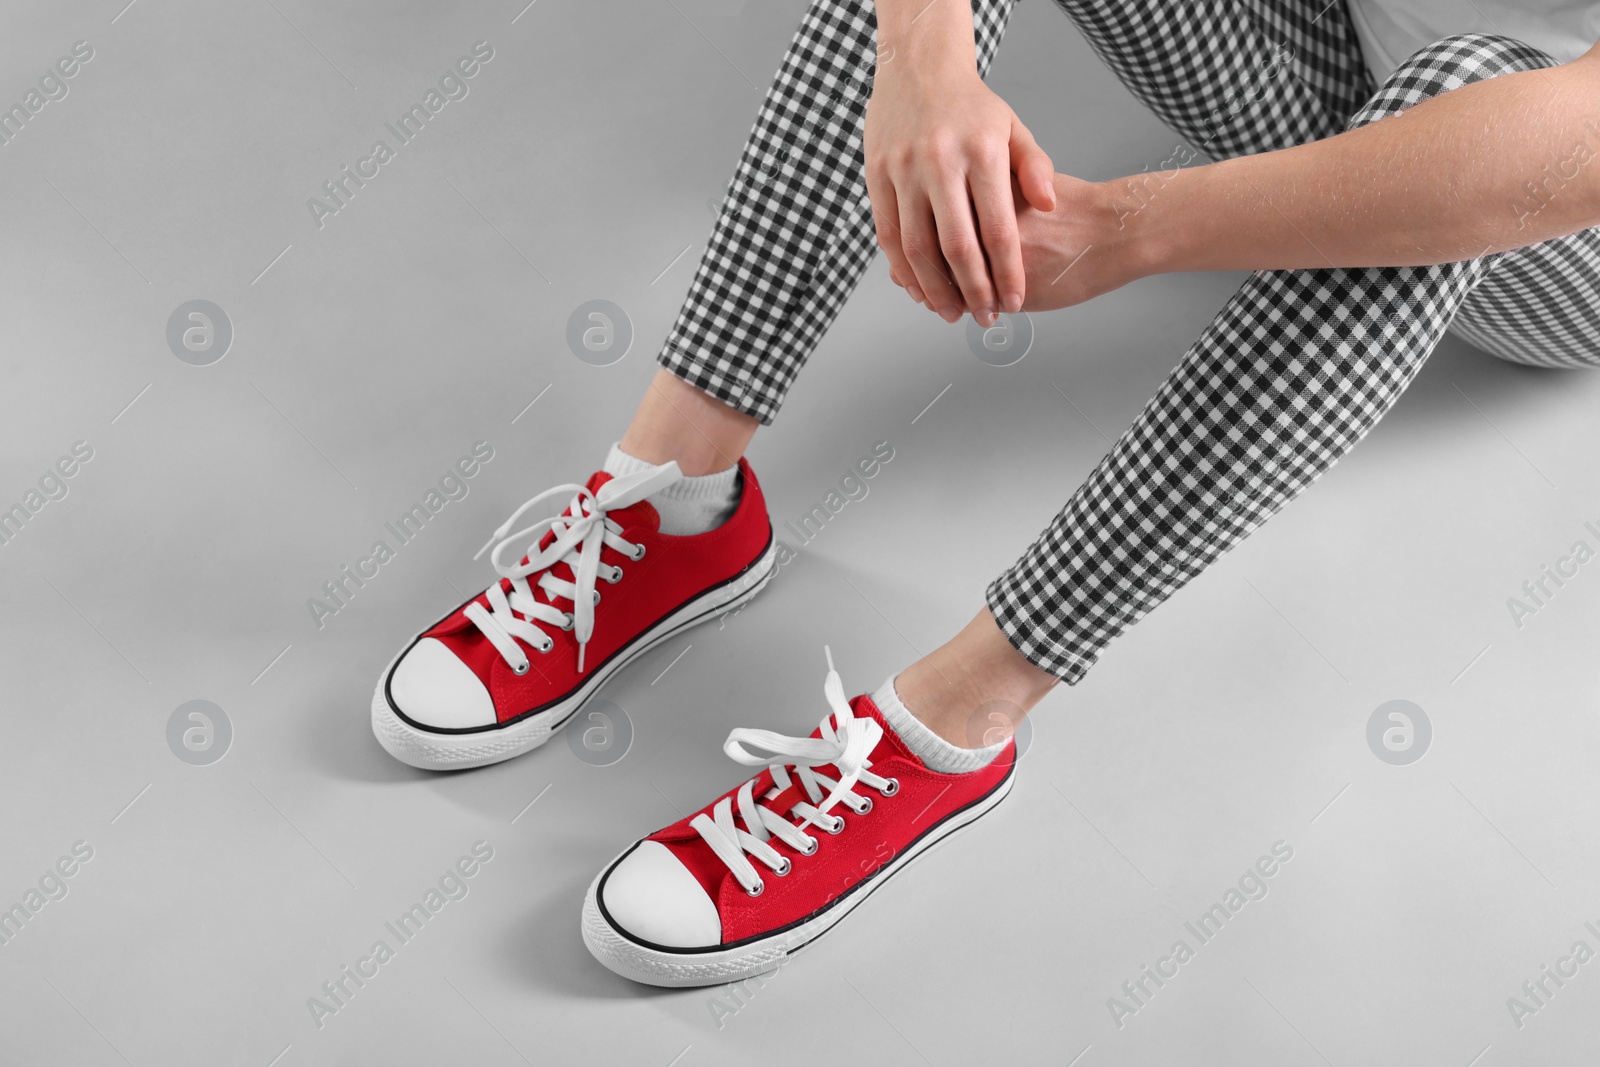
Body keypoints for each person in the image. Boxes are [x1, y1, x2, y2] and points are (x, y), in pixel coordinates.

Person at [370, 0, 1600, 987]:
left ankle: (949, 727)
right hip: (1334, 50)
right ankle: (674, 504)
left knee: (1464, 97)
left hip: (1553, 220)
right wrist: (921, 58)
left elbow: (1563, 145)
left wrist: (1128, 229)